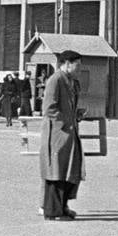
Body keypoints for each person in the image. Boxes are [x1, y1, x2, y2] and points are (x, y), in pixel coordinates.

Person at [39, 50, 84, 220]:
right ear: (66, 64)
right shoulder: (55, 80)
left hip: (69, 134)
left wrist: (76, 114)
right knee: (56, 172)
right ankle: (52, 212)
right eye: (77, 65)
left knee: (68, 172)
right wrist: (67, 121)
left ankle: (63, 207)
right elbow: (49, 108)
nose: (79, 69)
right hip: (58, 134)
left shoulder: (71, 81)